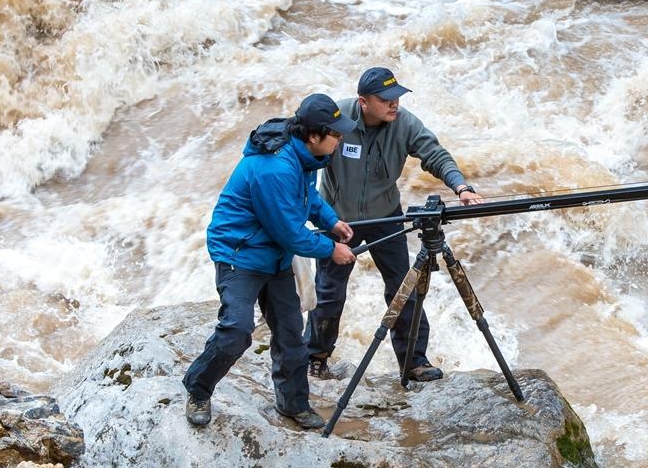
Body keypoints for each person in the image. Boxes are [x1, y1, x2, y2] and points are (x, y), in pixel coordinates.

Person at [183, 94, 357, 429]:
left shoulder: (304, 157)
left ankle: (293, 404)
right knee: (237, 330)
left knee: (291, 334)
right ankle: (198, 388)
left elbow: (308, 198)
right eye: (336, 134)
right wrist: (330, 249)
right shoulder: (275, 168)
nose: (341, 139)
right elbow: (290, 233)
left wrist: (331, 220)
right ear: (313, 135)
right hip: (240, 253)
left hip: (274, 255)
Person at [305, 67, 484, 382]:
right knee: (330, 292)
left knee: (404, 287)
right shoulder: (337, 119)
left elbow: (435, 154)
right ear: (363, 101)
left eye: (397, 97)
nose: (394, 104)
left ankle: (413, 361)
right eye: (386, 99)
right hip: (336, 219)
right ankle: (316, 358)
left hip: (386, 217)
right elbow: (306, 154)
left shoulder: (404, 124)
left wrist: (461, 187)